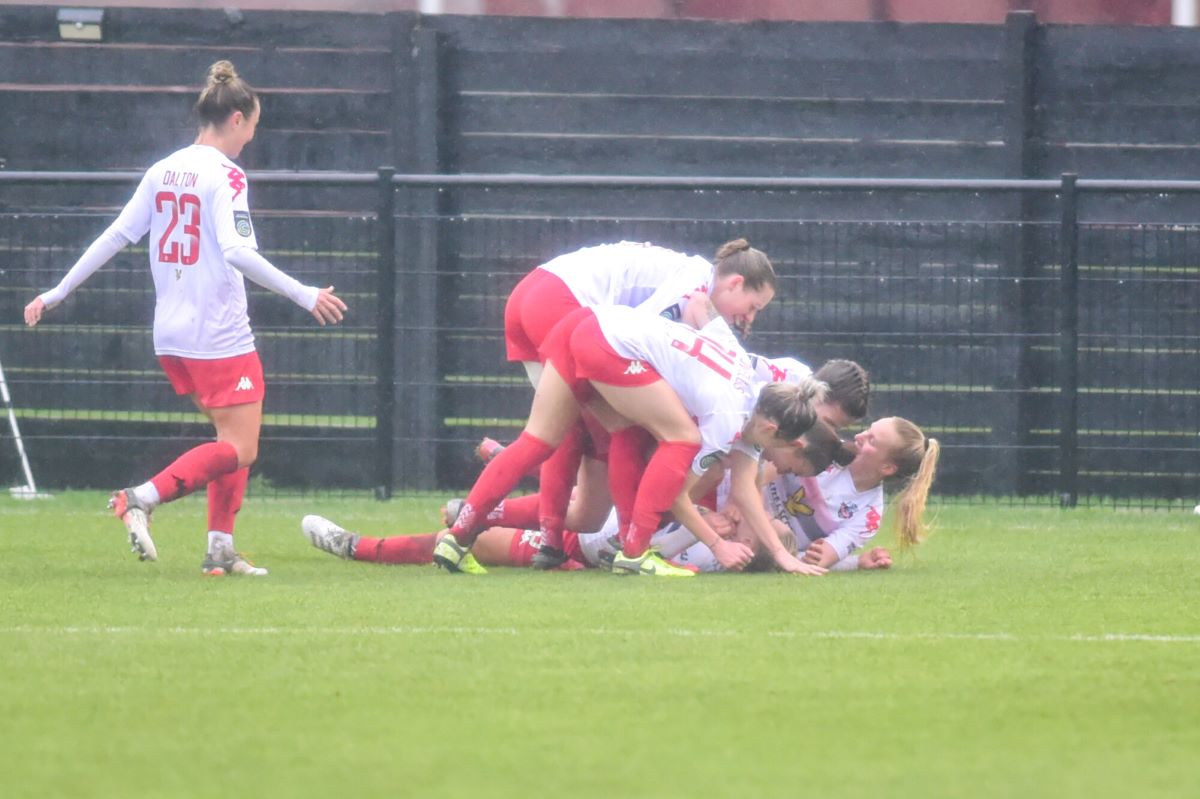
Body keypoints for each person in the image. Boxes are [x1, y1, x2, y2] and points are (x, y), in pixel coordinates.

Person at [23, 60, 347, 576]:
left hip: (170, 334)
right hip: (217, 332)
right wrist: (303, 293)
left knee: (228, 443)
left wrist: (59, 290)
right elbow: (238, 251)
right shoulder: (227, 175)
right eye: (254, 125)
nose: (252, 136)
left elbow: (116, 235)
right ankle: (141, 498)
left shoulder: (164, 169)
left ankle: (220, 548)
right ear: (237, 119)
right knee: (241, 446)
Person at [432, 296, 828, 578]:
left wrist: (781, 554)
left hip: (589, 322)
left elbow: (699, 302)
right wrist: (716, 543)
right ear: (772, 429)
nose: (768, 456)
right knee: (681, 439)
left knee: (540, 441)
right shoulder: (727, 417)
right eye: (774, 448)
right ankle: (635, 552)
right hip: (609, 343)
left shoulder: (748, 387)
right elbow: (675, 494)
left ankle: (457, 537)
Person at [502, 239, 777, 568]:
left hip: (532, 295)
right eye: (752, 307)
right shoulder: (694, 284)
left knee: (563, 429)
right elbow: (629, 333)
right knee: (627, 427)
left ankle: (514, 532)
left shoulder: (693, 286)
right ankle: (631, 544)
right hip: (560, 299)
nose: (749, 318)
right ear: (735, 283)